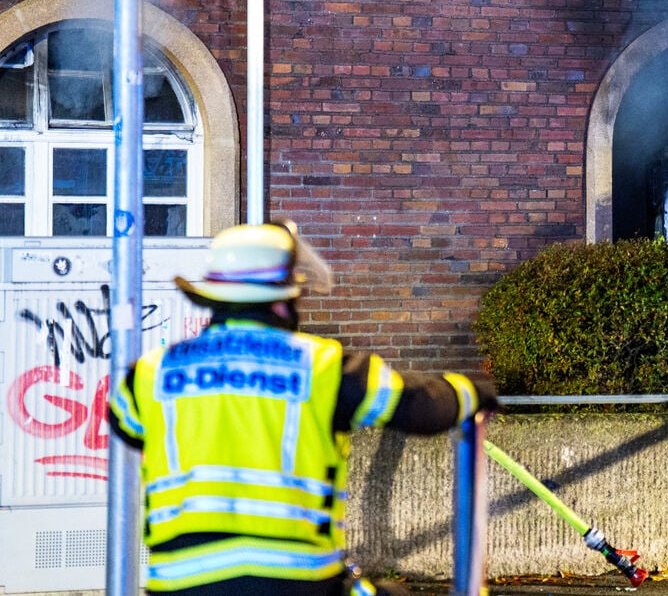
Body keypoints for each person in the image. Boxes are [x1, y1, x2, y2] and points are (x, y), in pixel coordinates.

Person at [109, 219, 497, 595]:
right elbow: (418, 407)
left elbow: (125, 425)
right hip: (295, 579)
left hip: (180, 582)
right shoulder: (322, 367)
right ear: (282, 303)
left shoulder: (150, 373)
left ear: (213, 297)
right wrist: (472, 392)